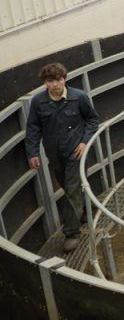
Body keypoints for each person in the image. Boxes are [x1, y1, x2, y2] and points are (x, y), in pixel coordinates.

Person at [24, 63, 100, 252]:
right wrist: (32, 152)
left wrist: (84, 142)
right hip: (54, 155)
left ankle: (72, 234)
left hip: (76, 152)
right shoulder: (38, 102)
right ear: (45, 83)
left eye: (58, 80)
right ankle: (85, 210)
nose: (55, 84)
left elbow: (92, 120)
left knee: (72, 189)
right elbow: (33, 128)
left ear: (64, 78)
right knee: (68, 187)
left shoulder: (79, 97)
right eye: (50, 81)